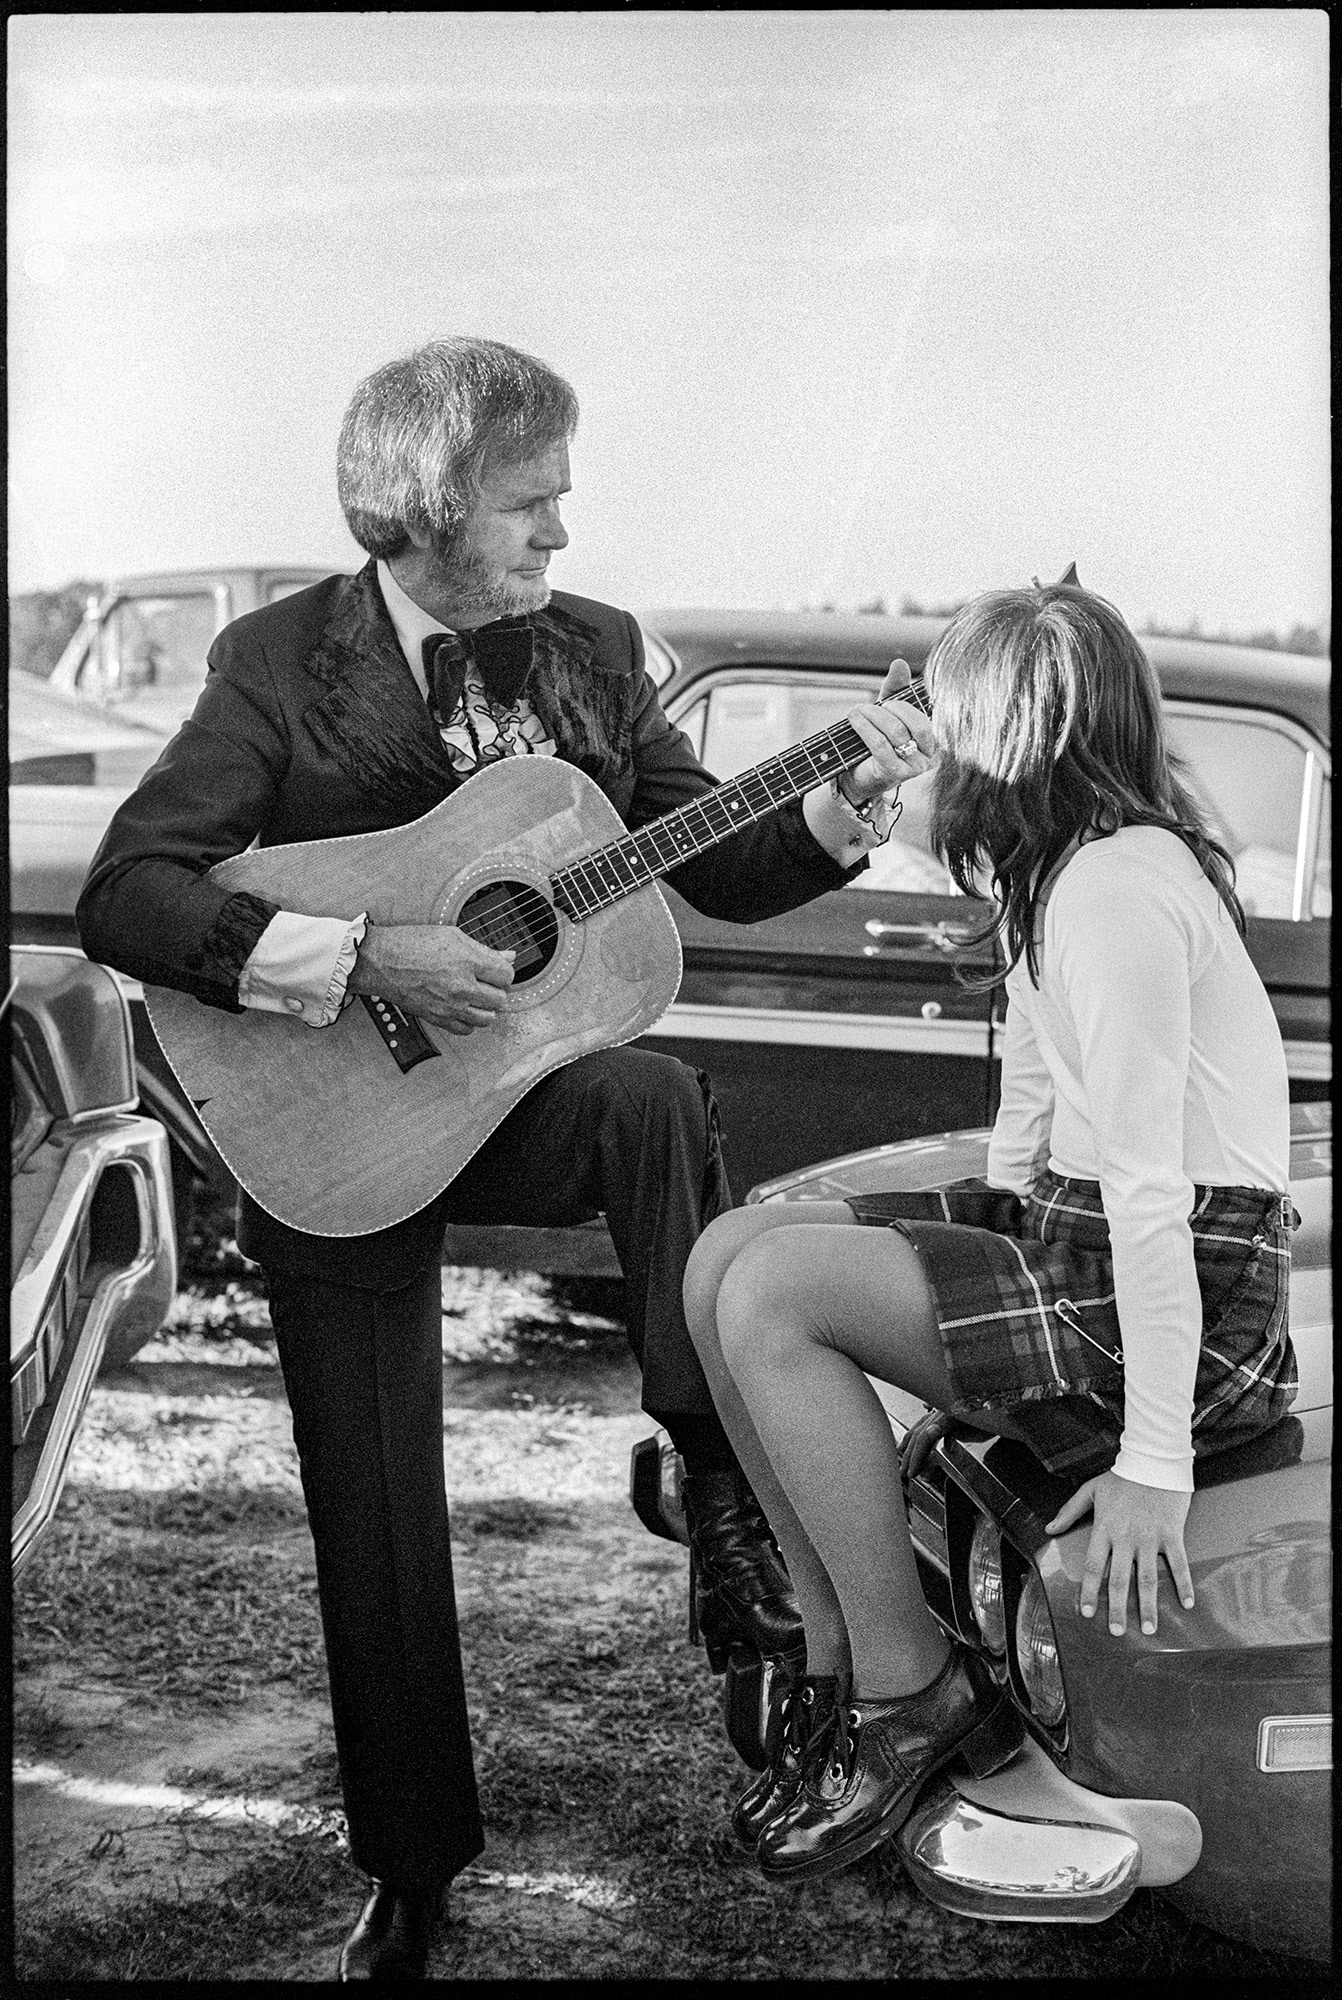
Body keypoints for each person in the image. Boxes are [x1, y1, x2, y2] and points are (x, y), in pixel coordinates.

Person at [76, 336, 933, 1979]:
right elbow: (133, 891)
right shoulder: (279, 659)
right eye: (530, 503)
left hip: (519, 1101)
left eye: (559, 500)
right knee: (373, 1509)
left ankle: (718, 1480)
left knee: (650, 1096)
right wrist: (352, 954)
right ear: (427, 505)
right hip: (321, 1112)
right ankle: (410, 1867)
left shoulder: (594, 655)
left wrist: (836, 807)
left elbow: (723, 864)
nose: (559, 533)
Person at [683, 580, 1299, 1886]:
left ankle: (911, 1696)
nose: (920, 739)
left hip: (1172, 1292)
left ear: (1010, 733)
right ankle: (835, 1651)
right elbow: (1030, 1121)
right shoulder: (1053, 872)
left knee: (771, 1298)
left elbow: (1151, 1188)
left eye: (943, 713)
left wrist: (1153, 1463)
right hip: (1078, 1246)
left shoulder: (1118, 889)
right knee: (732, 1249)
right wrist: (951, 1360)